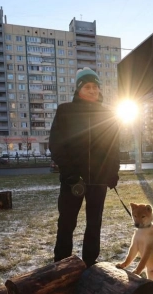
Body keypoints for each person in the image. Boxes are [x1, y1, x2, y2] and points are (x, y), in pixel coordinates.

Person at [49, 67, 120, 267]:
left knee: (94, 224)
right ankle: (61, 265)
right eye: (87, 86)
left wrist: (112, 172)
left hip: (98, 181)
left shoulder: (108, 114)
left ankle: (90, 264)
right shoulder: (65, 111)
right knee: (66, 223)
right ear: (79, 89)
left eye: (95, 87)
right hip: (73, 181)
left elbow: (114, 146)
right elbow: (56, 144)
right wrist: (69, 173)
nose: (92, 90)